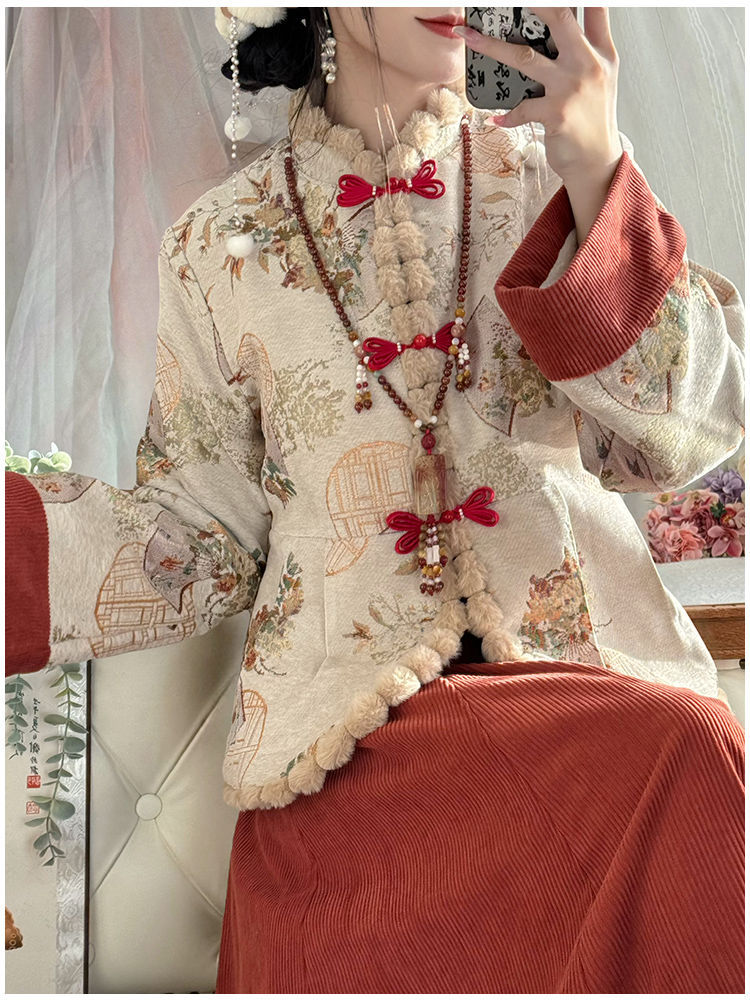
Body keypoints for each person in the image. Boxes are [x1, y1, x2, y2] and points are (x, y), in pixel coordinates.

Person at [5, 6, 745, 993]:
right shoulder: (218, 246)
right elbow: (199, 536)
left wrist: (598, 168)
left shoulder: (551, 181)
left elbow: (677, 439)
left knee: (692, 750)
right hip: (346, 769)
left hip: (583, 719)